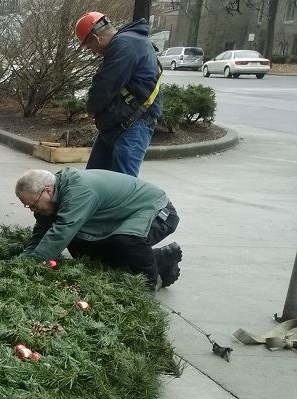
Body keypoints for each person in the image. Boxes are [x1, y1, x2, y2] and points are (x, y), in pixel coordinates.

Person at [15, 168, 182, 290]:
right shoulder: (50, 201)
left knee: (128, 239)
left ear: (48, 190)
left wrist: (31, 264)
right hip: (120, 217)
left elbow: (61, 233)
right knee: (81, 241)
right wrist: (20, 263)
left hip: (157, 210)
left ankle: (151, 281)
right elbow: (40, 236)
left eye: (33, 204)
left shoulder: (78, 192)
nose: (31, 209)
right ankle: (157, 259)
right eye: (27, 206)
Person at [76, 11, 163, 177]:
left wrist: (91, 108)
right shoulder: (129, 42)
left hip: (132, 125)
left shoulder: (124, 44)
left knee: (123, 187)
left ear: (95, 38)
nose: (92, 52)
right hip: (119, 123)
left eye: (89, 47)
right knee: (94, 180)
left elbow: (104, 86)